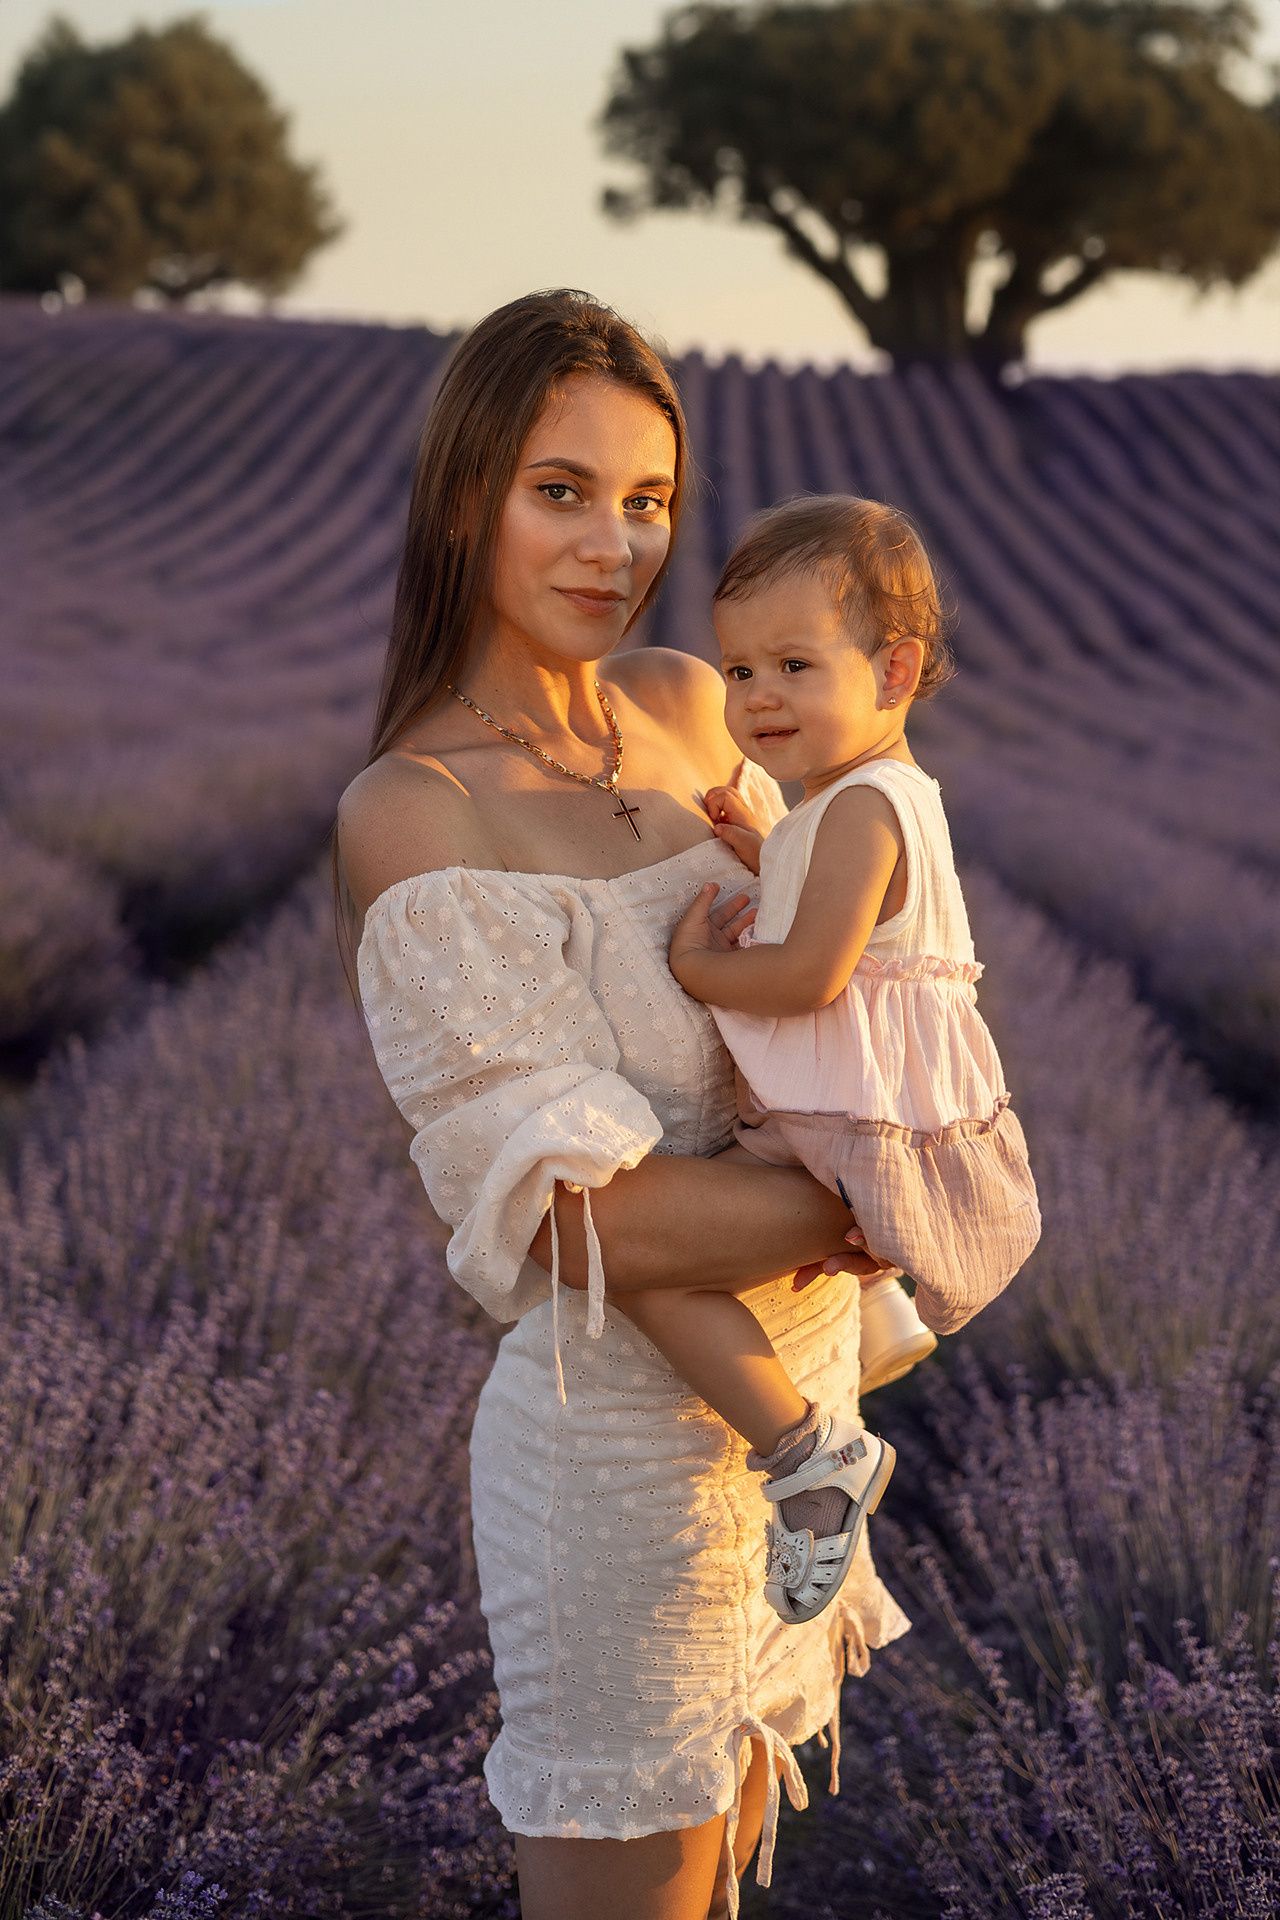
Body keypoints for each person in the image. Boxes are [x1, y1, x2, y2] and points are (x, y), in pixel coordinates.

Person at [337, 290, 909, 1920]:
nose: (616, 544)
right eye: (561, 491)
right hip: (618, 1484)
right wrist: (874, 1195)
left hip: (797, 1436)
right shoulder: (417, 811)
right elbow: (596, 1216)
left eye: (648, 499)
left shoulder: (686, 701)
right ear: (466, 499)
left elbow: (835, 948)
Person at [622, 496, 1040, 1628]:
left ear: (892, 671)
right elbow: (851, 919)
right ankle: (875, 1315)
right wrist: (768, 848)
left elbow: (811, 975)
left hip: (845, 1121)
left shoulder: (856, 812)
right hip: (858, 1111)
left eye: (794, 665)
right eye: (739, 669)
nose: (757, 698)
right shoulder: (854, 804)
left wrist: (698, 967)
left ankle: (808, 1454)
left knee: (644, 1263)